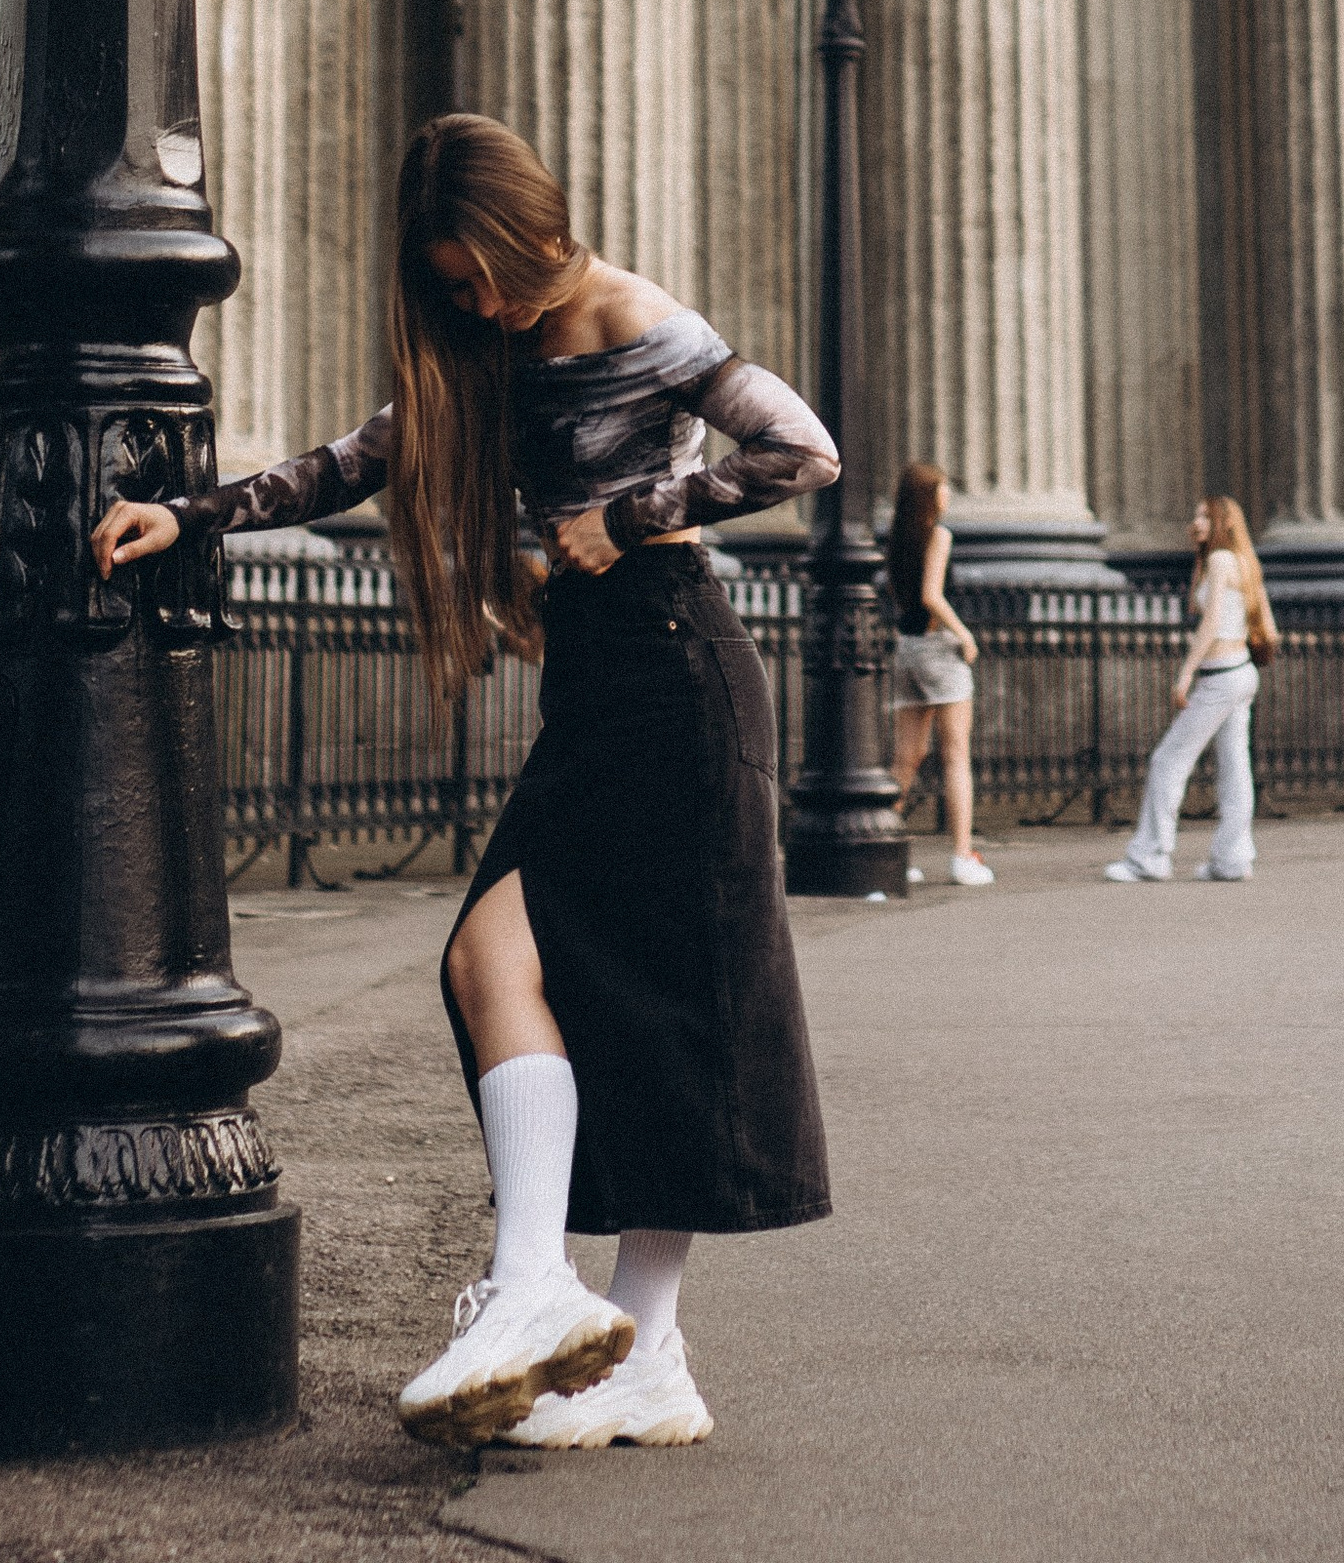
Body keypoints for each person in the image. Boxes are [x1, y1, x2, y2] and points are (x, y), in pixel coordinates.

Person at [89, 112, 838, 1458]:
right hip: (607, 690)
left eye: (479, 273)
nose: (472, 301)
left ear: (531, 231)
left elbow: (803, 450)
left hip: (675, 676)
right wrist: (191, 517)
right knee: (597, 991)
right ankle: (638, 1353)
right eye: (449, 284)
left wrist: (632, 516)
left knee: (543, 969)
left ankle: (544, 1291)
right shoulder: (491, 348)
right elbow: (354, 462)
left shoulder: (634, 315)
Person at [1105, 497, 1275, 885]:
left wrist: (1185, 674)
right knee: (1235, 769)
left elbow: (1210, 621)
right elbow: (1257, 620)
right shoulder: (1241, 561)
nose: (1194, 522)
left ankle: (1149, 858)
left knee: (1168, 760)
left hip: (1220, 676)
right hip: (1242, 672)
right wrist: (1199, 555)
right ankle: (1233, 860)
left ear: (1222, 522)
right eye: (1194, 515)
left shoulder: (1220, 562)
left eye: (1204, 516)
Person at [883, 461, 993, 889]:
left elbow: (905, 595)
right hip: (937, 650)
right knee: (956, 757)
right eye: (944, 490)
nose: (948, 497)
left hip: (907, 650)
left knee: (906, 758)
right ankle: (962, 855)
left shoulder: (898, 541)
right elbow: (933, 595)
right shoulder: (939, 535)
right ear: (930, 497)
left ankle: (887, 845)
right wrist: (964, 634)